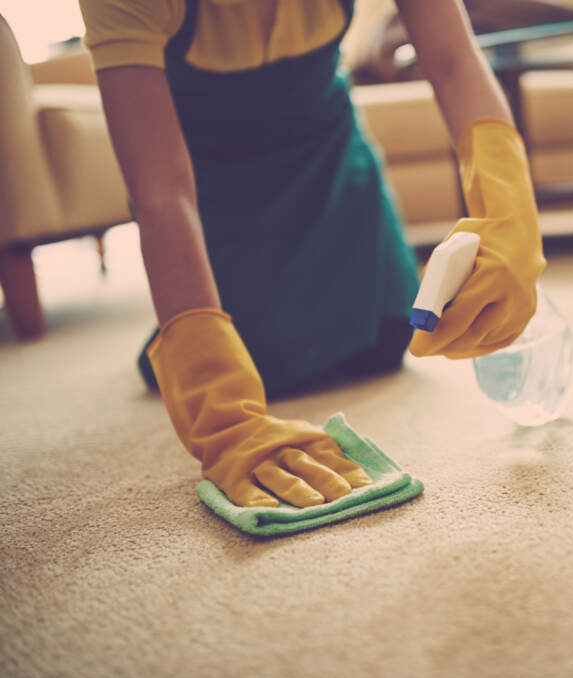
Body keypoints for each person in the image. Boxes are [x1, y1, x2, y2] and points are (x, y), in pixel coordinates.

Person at [79, 0, 546, 509]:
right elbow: (162, 194)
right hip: (211, 183)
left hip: (328, 157)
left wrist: (508, 208)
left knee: (385, 339)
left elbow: (455, 61)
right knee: (262, 357)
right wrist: (223, 414)